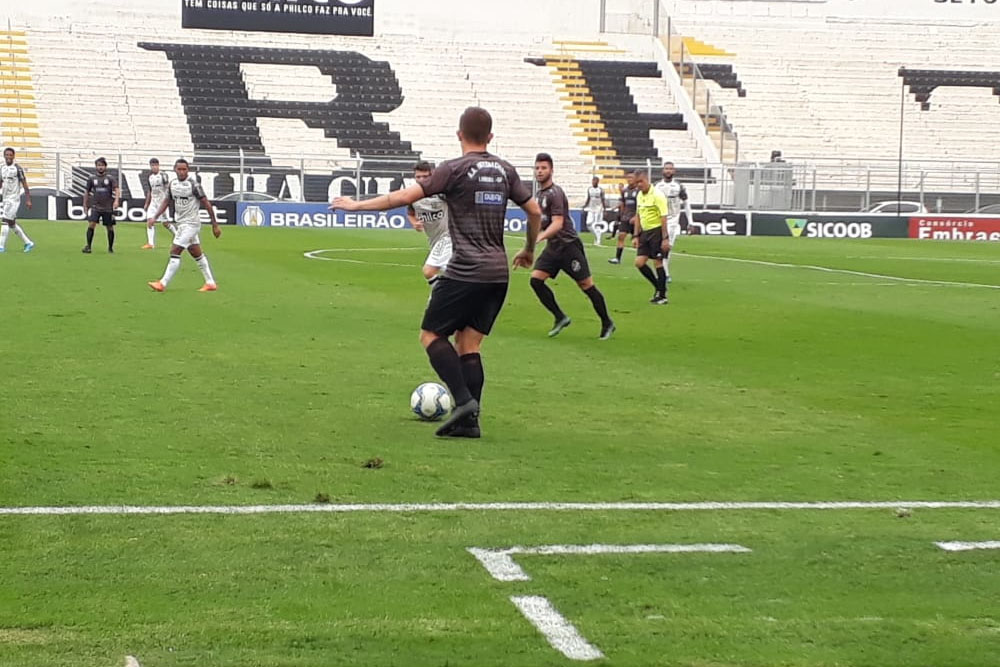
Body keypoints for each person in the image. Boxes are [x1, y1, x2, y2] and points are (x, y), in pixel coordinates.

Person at [332, 107, 541, 439]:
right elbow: (534, 210)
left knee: (431, 335)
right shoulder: (505, 170)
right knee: (469, 345)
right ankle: (470, 423)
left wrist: (356, 205)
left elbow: (403, 197)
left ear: (459, 135)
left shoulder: (453, 169)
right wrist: (530, 249)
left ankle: (462, 403)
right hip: (498, 273)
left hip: (464, 270)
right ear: (490, 137)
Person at [529, 153, 614, 340]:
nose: (540, 171)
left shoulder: (556, 193)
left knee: (586, 285)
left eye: (543, 168)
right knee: (535, 280)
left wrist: (539, 238)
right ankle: (560, 317)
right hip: (554, 247)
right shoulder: (540, 194)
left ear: (551, 170)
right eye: (537, 168)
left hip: (569, 246)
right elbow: (541, 221)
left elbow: (558, 223)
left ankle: (607, 322)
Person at [147, 159, 221, 292]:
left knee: (175, 251)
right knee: (195, 252)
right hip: (181, 223)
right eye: (179, 169)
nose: (181, 172)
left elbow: (206, 203)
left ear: (188, 170)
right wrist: (155, 217)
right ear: (175, 169)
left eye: (184, 169)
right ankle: (210, 282)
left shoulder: (193, 185)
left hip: (191, 224)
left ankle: (162, 283)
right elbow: (166, 201)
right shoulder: (173, 184)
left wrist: (214, 224)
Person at [406, 161, 451, 284]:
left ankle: (441, 296)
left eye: (425, 177)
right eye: (418, 177)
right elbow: (410, 213)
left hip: (448, 237)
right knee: (451, 272)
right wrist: (415, 223)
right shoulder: (413, 196)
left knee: (428, 271)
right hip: (434, 239)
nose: (421, 180)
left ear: (432, 176)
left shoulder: (442, 193)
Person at [633, 170, 670, 305]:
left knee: (658, 262)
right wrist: (636, 235)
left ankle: (662, 295)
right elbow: (638, 215)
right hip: (645, 233)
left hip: (657, 232)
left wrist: (665, 238)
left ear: (646, 180)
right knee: (639, 263)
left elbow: (663, 217)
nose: (639, 185)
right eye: (636, 183)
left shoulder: (657, 195)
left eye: (640, 182)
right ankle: (658, 286)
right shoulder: (639, 195)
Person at [654, 161, 693, 283]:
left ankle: (665, 274)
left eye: (670, 169)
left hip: (672, 221)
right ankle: (663, 272)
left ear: (674, 171)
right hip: (658, 220)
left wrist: (690, 222)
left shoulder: (679, 186)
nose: (668, 171)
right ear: (663, 171)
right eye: (666, 168)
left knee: (667, 246)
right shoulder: (656, 186)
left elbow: (686, 204)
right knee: (658, 248)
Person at [82, 157, 120, 254]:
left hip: (108, 207)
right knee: (91, 224)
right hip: (96, 207)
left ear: (105, 167)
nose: (100, 167)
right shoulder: (91, 178)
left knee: (110, 227)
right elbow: (86, 192)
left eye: (102, 165)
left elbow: (117, 189)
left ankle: (110, 248)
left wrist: (116, 201)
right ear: (96, 167)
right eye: (99, 165)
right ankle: (88, 246)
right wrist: (85, 205)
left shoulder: (110, 178)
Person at [0, 147, 34, 253]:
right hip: (5, 198)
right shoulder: (2, 168)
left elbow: (25, 184)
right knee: (12, 223)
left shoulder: (17, 169)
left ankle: (1, 246)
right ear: (4, 156)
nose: (8, 157)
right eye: (7, 155)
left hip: (13, 199)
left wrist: (28, 199)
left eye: (10, 155)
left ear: (14, 156)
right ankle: (28, 243)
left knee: (4, 221)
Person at [142, 158, 176, 249]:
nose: (154, 167)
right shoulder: (150, 177)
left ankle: (177, 236)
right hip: (153, 202)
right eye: (152, 165)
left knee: (165, 223)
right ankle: (150, 244)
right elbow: (150, 191)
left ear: (158, 165)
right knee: (149, 221)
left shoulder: (163, 175)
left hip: (162, 202)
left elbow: (168, 187)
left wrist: (169, 200)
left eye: (155, 165)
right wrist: (147, 203)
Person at [608, 172, 638, 265]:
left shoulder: (638, 191)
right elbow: (622, 203)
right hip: (625, 218)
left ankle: (641, 258)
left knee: (638, 240)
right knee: (621, 236)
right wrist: (621, 215)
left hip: (636, 219)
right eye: (628, 178)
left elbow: (641, 205)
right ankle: (617, 258)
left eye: (631, 177)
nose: (629, 179)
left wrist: (637, 216)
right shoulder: (624, 191)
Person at [581, 176, 606, 246]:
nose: (593, 182)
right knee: (588, 223)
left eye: (595, 181)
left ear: (598, 182)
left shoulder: (600, 190)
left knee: (597, 225)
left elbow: (603, 199)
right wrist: (585, 206)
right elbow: (588, 198)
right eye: (592, 180)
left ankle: (598, 240)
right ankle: (596, 236)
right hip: (591, 209)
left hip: (599, 209)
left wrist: (605, 209)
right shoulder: (589, 189)